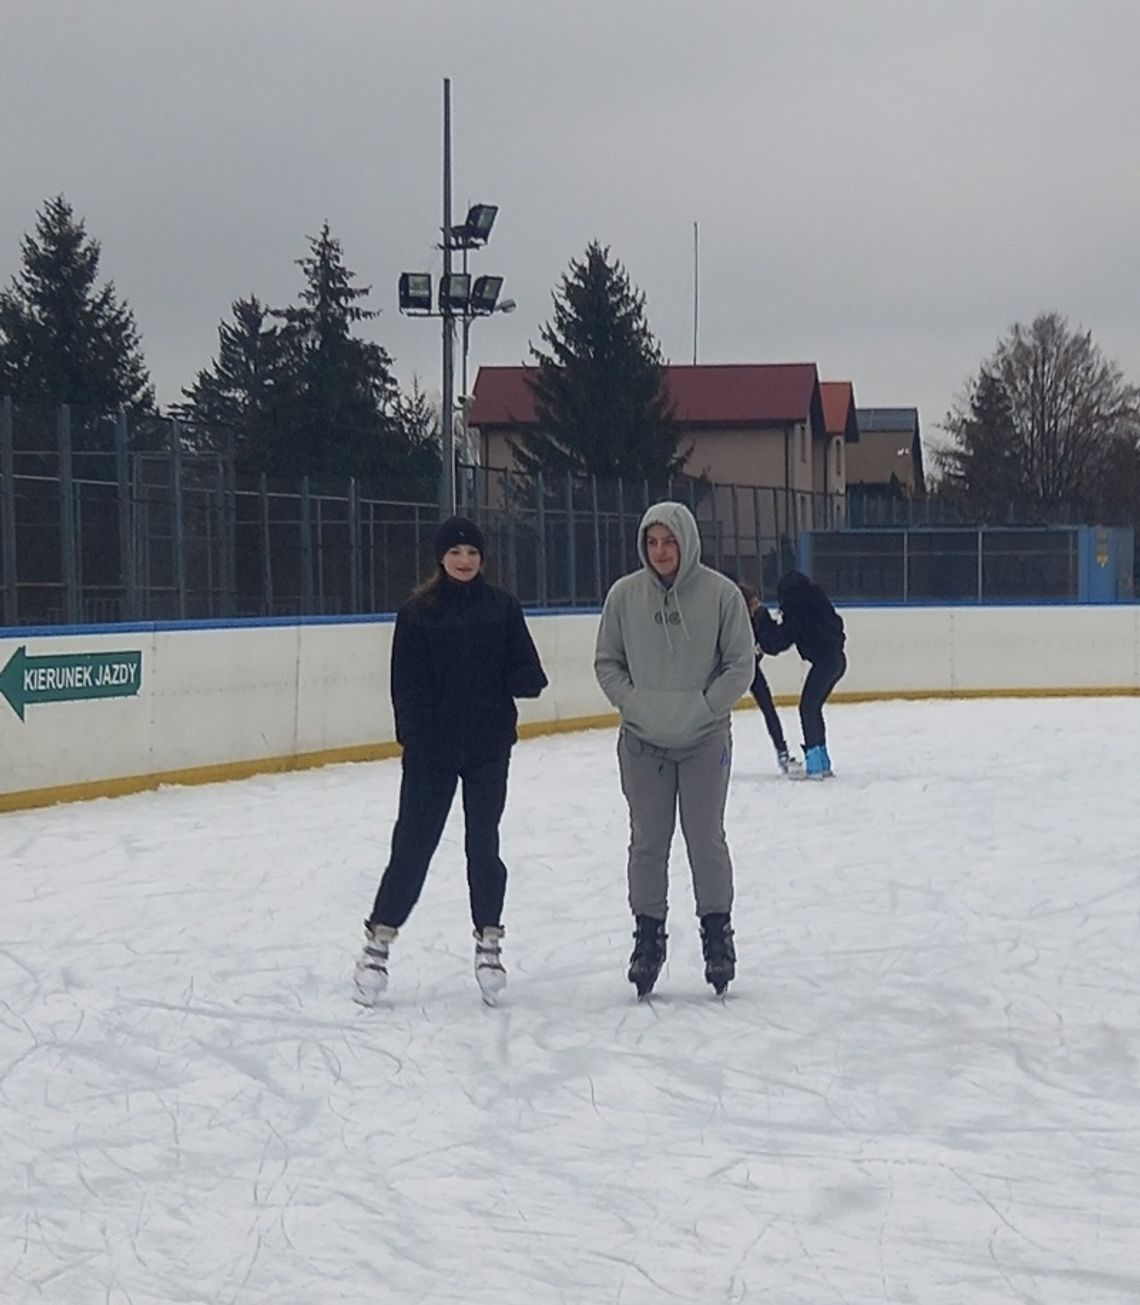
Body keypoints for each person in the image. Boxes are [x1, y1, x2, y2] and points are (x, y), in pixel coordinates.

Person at [353, 516, 549, 1007]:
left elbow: (528, 668)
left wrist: (522, 678)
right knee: (413, 847)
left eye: (473, 552)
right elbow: (406, 688)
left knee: (484, 847)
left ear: (482, 559)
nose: (465, 560)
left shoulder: (502, 608)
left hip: (487, 748)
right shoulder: (418, 614)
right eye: (456, 552)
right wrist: (416, 740)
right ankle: (379, 941)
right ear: (441, 558)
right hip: (432, 754)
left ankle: (488, 940)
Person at [594, 501, 755, 998]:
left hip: (704, 740)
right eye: (652, 542)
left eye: (669, 541)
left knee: (705, 840)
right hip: (643, 742)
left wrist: (706, 708)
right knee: (647, 842)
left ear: (686, 541)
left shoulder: (721, 595)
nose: (660, 551)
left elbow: (740, 664)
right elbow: (607, 663)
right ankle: (648, 936)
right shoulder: (624, 596)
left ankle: (717, 935)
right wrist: (634, 703)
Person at [755, 569, 846, 778]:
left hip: (824, 663)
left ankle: (816, 763)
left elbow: (779, 641)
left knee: (807, 708)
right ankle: (822, 760)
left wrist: (763, 623)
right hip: (837, 660)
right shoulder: (817, 602)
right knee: (813, 708)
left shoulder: (797, 608)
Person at [736, 579, 799, 776]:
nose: (757, 606)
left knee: (768, 708)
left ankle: (782, 752)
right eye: (752, 603)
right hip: (728, 670)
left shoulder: (761, 615)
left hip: (752, 669)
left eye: (757, 601)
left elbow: (773, 641)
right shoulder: (730, 618)